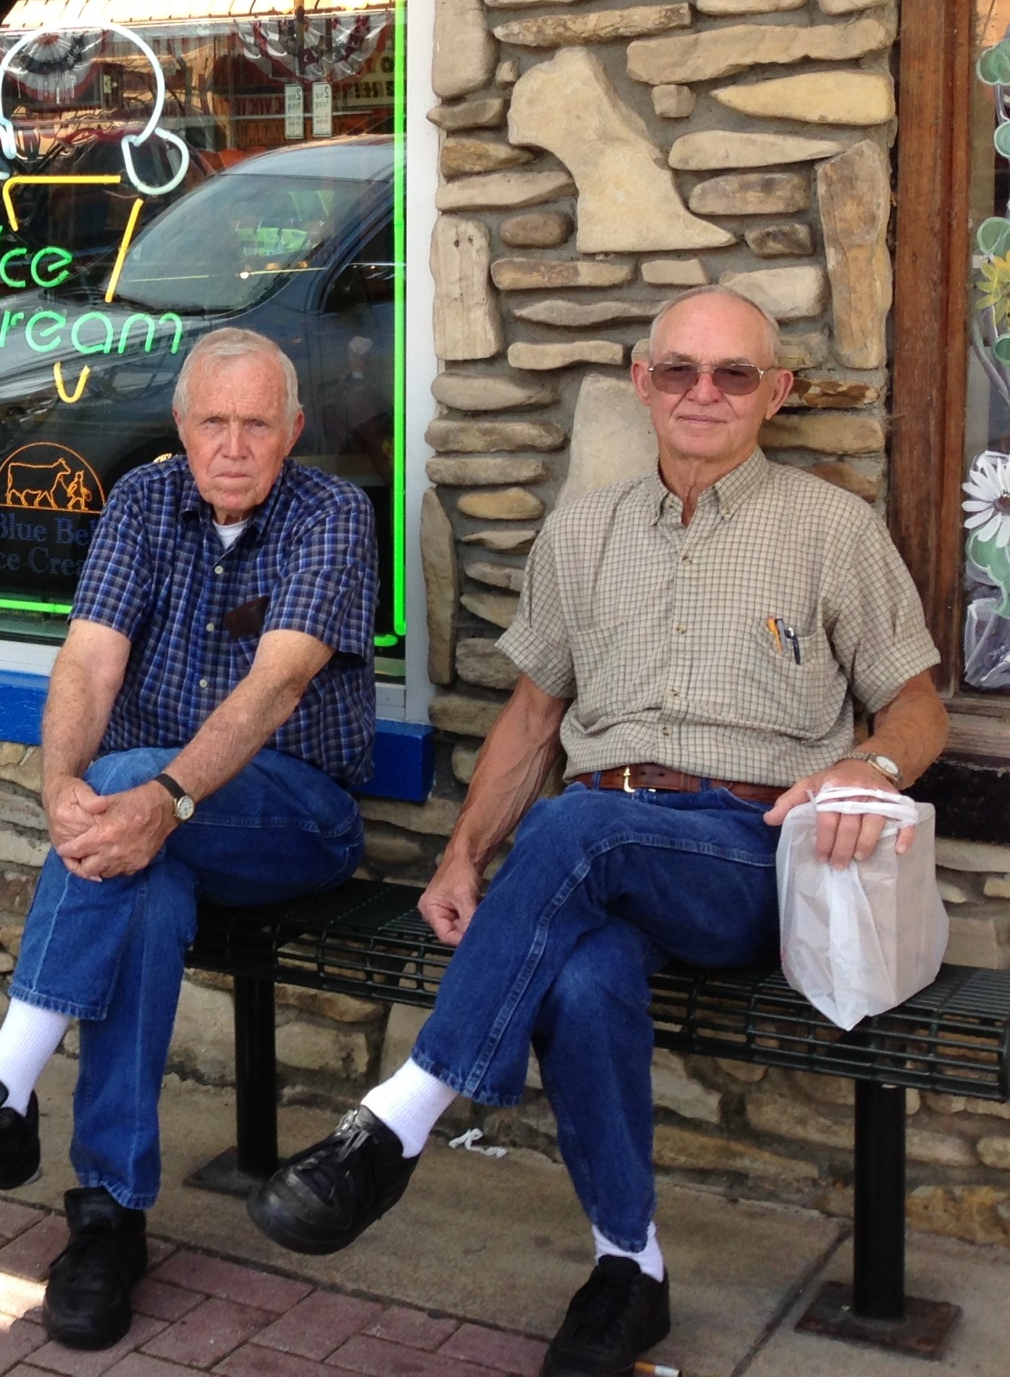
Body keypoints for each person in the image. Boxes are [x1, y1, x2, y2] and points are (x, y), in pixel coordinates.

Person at [249, 286, 947, 1377]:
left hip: (743, 847)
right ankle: (631, 1269)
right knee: (580, 979)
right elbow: (531, 717)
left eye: (730, 373)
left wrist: (867, 765)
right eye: (677, 369)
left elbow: (918, 704)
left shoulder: (828, 528)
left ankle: (397, 1116)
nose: (701, 392)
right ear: (642, 380)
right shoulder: (584, 528)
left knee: (585, 824)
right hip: (593, 851)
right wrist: (462, 854)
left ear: (776, 390)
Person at [0, 326, 378, 1350]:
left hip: (296, 817)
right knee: (142, 882)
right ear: (183, 426)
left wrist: (159, 793)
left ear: (293, 429)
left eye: (256, 424)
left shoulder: (332, 511)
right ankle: (107, 1215)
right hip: (160, 824)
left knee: (138, 788)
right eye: (213, 421)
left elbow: (274, 683)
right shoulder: (143, 499)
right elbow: (89, 664)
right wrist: (62, 785)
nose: (233, 444)